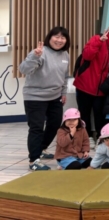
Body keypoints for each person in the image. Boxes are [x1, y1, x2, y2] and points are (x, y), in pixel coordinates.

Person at [20, 26, 70, 171]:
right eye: (56, 36)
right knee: (36, 128)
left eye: (63, 37)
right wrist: (35, 56)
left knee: (54, 124)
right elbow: (23, 69)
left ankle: (41, 148)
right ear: (50, 37)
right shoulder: (39, 52)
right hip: (35, 96)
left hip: (55, 96)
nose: (59, 40)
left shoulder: (65, 54)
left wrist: (63, 92)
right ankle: (33, 161)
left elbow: (65, 76)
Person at [75, 20, 109, 148]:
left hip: (103, 87)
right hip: (85, 84)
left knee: (100, 114)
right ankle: (86, 138)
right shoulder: (97, 38)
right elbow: (87, 55)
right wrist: (99, 41)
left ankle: (101, 138)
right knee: (84, 113)